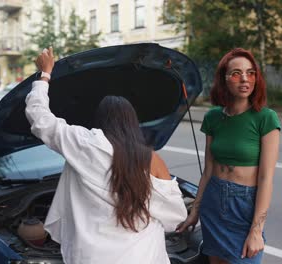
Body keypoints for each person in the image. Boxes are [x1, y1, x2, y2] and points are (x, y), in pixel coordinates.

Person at [25, 47, 188, 264]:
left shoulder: (84, 144)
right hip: (142, 256)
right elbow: (176, 214)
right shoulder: (151, 159)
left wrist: (45, 74)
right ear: (132, 122)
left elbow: (40, 119)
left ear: (99, 120)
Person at [176, 48, 281, 264]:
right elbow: (208, 171)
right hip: (213, 203)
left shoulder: (265, 118)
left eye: (250, 73)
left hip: (244, 206)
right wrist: (195, 212)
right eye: (236, 73)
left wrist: (256, 231)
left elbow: (266, 178)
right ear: (224, 80)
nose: (244, 79)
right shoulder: (213, 117)